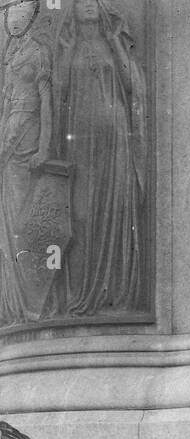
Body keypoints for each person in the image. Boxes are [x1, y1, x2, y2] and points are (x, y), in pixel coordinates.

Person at [54, 0, 148, 318]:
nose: (88, 6)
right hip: (80, 141)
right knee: (80, 213)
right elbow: (61, 90)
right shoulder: (72, 47)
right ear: (74, 11)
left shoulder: (112, 44)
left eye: (94, 2)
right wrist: (66, 51)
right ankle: (81, 294)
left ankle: (113, 289)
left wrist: (114, 42)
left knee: (113, 208)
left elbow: (131, 85)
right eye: (81, 2)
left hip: (114, 137)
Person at [0, 0, 53, 326]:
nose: (11, 20)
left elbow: (47, 103)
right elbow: (5, 106)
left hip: (29, 140)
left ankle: (32, 302)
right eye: (8, 15)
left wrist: (45, 146)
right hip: (8, 142)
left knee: (23, 224)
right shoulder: (9, 57)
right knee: (7, 226)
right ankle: (13, 304)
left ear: (31, 17)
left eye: (18, 14)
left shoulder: (39, 53)